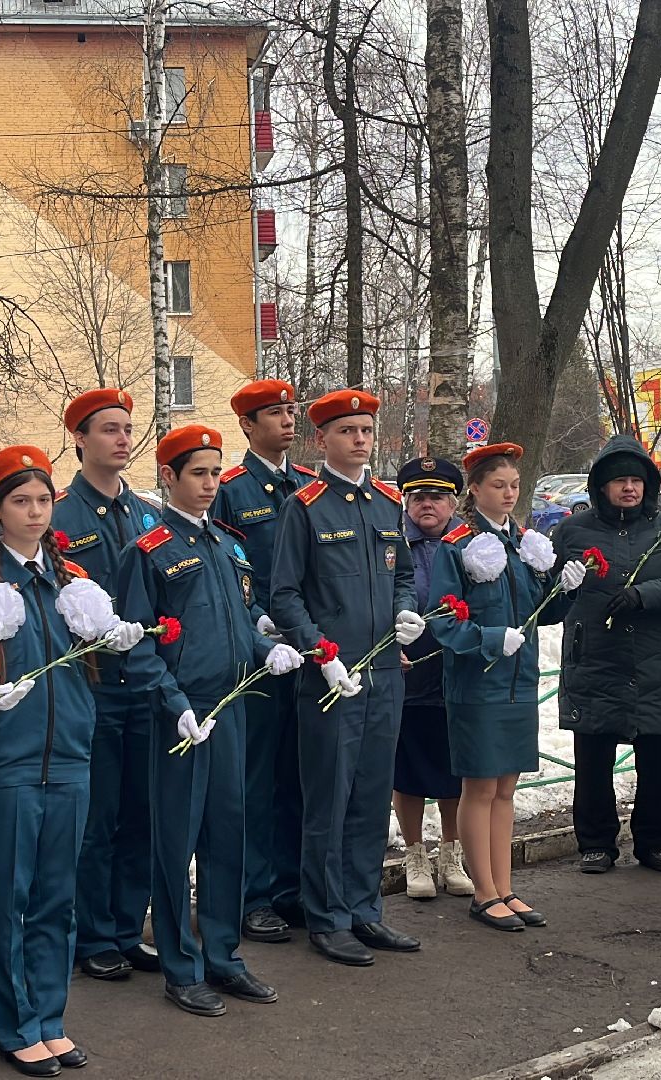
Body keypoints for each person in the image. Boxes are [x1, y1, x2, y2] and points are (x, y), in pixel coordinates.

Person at [0, 444, 149, 1076]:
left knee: (59, 896)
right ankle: (16, 1023)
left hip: (73, 756)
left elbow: (105, 660)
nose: (34, 513)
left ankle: (51, 1018)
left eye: (42, 501)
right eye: (19, 502)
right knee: (9, 896)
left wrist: (123, 641)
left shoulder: (73, 583)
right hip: (6, 761)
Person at [117, 424, 301, 1017]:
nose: (208, 483)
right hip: (180, 718)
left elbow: (242, 616)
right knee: (176, 842)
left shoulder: (227, 544)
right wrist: (174, 704)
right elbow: (138, 645)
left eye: (215, 472)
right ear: (167, 477)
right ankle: (180, 965)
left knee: (228, 834)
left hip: (232, 707)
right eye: (197, 473)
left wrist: (262, 644)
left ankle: (223, 955)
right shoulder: (147, 552)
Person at [268, 388, 420, 967]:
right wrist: (318, 652)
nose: (360, 439)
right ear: (322, 440)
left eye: (366, 430)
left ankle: (364, 910)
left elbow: (402, 572)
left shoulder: (386, 502)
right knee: (328, 800)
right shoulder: (305, 506)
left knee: (370, 796)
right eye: (348, 431)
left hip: (385, 672)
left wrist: (406, 609)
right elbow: (284, 593)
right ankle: (327, 917)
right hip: (332, 678)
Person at [427, 443, 585, 931]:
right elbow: (444, 623)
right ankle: (483, 892)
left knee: (506, 788)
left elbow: (541, 613)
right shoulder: (458, 546)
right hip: (478, 685)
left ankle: (506, 885)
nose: (509, 494)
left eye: (514, 485)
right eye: (498, 485)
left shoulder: (525, 544)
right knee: (479, 787)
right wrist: (494, 638)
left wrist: (566, 588)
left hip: (519, 683)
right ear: (473, 490)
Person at [553, 435, 661, 876]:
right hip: (594, 659)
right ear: (601, 485)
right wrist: (562, 584)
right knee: (593, 760)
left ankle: (656, 842)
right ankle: (596, 842)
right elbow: (544, 583)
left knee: (658, 759)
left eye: (636, 480)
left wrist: (643, 595)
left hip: (654, 661)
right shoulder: (572, 531)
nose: (629, 489)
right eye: (619, 480)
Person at [51, 388, 161, 980]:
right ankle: (92, 934)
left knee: (139, 813)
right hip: (92, 684)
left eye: (126, 428)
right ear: (81, 439)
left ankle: (125, 926)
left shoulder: (144, 513)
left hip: (143, 678)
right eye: (108, 429)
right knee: (96, 818)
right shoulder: (62, 515)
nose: (122, 438)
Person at [213, 379, 318, 943]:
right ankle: (252, 895)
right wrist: (255, 619)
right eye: (273, 414)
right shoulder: (231, 489)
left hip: (305, 650)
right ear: (248, 426)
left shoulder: (307, 486)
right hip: (258, 654)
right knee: (254, 779)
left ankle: (290, 886)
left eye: (289, 411)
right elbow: (228, 564)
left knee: (297, 774)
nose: (286, 421)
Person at [390, 455, 472, 901]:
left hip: (454, 674)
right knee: (409, 769)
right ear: (405, 501)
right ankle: (415, 853)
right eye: (418, 496)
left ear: (453, 502)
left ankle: (451, 851)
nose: (427, 505)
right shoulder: (391, 543)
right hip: (405, 672)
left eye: (437, 496)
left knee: (452, 768)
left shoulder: (469, 544)